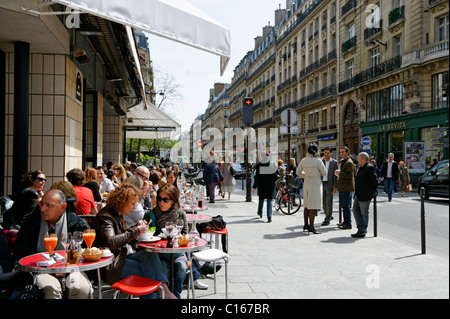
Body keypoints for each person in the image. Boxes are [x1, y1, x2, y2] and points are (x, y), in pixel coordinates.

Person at [92, 183, 177, 299]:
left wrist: (135, 228)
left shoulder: (117, 213)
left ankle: (165, 292)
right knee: (149, 273)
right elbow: (110, 241)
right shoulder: (106, 217)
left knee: (150, 256)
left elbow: (122, 234)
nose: (133, 207)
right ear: (122, 202)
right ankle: (165, 293)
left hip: (122, 258)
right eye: (132, 204)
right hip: (111, 266)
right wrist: (136, 231)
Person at [14, 189, 92, 299]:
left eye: (49, 205)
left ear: (63, 207)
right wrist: (43, 265)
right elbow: (20, 249)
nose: (43, 209)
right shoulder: (31, 221)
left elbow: (86, 253)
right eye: (42, 204)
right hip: (39, 269)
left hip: (71, 268)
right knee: (50, 289)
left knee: (81, 288)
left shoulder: (77, 223)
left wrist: (68, 268)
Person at [297, 143, 326, 234]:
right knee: (313, 206)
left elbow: (298, 172)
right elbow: (324, 173)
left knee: (306, 206)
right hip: (315, 184)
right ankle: (311, 227)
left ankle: (305, 224)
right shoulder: (318, 161)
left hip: (307, 183)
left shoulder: (303, 160)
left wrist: (306, 175)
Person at [352, 152, 378, 238]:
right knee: (355, 210)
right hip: (358, 194)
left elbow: (375, 181)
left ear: (362, 159)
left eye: (359, 158)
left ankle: (363, 230)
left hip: (365, 194)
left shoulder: (369, 168)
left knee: (364, 212)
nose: (357, 160)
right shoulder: (361, 168)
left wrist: (371, 192)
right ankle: (360, 227)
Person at [252, 150, 279, 223]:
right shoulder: (272, 164)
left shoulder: (259, 165)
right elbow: (277, 175)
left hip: (262, 185)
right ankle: (269, 216)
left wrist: (254, 187)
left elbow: (257, 177)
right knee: (269, 200)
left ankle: (260, 212)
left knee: (261, 199)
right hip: (270, 185)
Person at [335, 146, 355, 230]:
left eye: (343, 152)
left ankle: (348, 223)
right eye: (340, 152)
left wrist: (340, 173)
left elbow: (349, 176)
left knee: (346, 206)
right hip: (343, 187)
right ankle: (345, 222)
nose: (341, 153)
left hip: (346, 187)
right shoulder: (344, 161)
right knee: (344, 205)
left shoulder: (349, 162)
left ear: (347, 152)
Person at [321, 147, 338, 226]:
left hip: (329, 184)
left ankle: (327, 219)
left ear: (331, 153)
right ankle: (328, 215)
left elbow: (335, 176)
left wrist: (335, 187)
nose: (326, 154)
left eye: (328, 153)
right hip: (322, 184)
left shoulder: (334, 162)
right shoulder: (321, 161)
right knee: (323, 203)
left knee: (328, 202)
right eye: (325, 153)